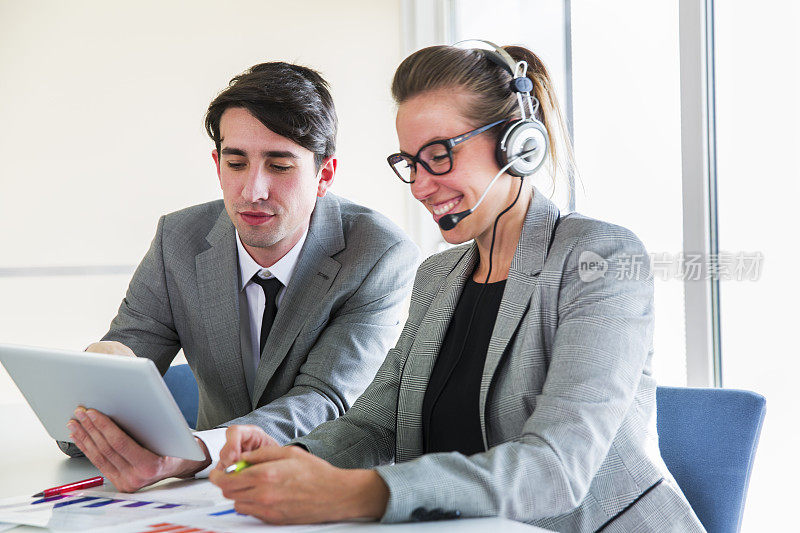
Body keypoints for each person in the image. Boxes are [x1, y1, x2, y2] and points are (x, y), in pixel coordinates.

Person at [208, 42, 705, 532]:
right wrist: (289, 459)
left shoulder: (600, 259)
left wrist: (361, 493)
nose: (421, 185)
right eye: (410, 162)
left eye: (439, 155)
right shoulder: (438, 277)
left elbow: (557, 468)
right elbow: (373, 426)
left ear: (517, 146)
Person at [64, 61, 420, 492]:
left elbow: (325, 401)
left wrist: (191, 452)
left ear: (323, 175)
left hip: (326, 490)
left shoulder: (378, 253)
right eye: (236, 163)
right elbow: (111, 379)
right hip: (202, 492)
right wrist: (94, 385)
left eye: (280, 166)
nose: (253, 191)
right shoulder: (176, 241)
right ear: (217, 165)